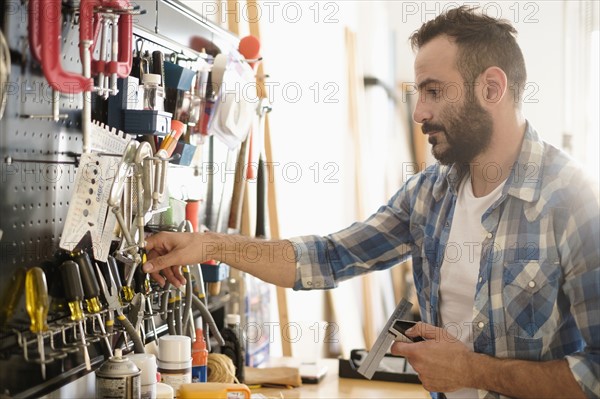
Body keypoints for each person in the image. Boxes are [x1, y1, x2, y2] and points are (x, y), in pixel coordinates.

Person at [142, 7, 598, 399]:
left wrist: (471, 370)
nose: (419, 111)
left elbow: (596, 374)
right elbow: (328, 257)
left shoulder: (573, 202)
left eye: (434, 91)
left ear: (492, 89)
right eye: (419, 93)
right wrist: (208, 246)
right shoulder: (430, 194)